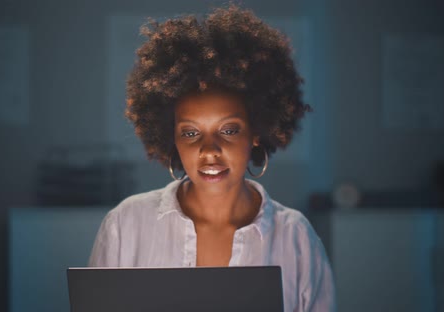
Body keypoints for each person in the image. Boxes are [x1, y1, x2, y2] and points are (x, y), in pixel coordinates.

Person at [89, 4, 336, 311]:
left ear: (256, 131)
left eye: (229, 130)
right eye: (191, 133)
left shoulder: (295, 236)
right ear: (172, 138)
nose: (209, 150)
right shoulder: (126, 224)